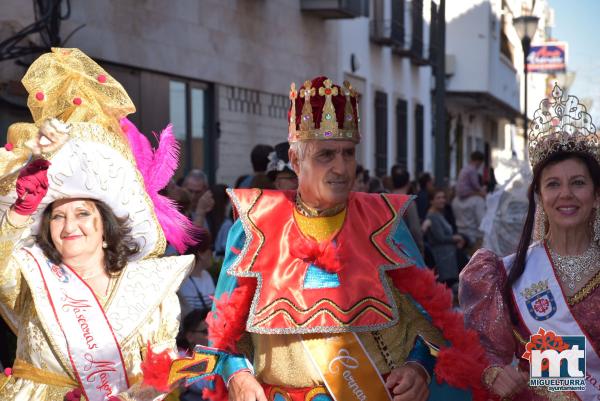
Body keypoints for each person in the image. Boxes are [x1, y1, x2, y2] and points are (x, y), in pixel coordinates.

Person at [149, 77, 490, 401]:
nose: (341, 167)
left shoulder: (384, 224)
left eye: (348, 153)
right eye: (325, 155)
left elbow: (429, 318)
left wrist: (418, 367)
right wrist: (238, 373)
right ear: (296, 160)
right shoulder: (255, 226)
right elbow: (223, 332)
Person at [0, 48, 195, 401]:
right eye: (57, 215)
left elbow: (162, 375)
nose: (69, 225)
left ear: (106, 226)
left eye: (83, 214)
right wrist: (19, 212)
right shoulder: (31, 276)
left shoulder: (150, 291)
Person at [459, 85, 600, 400]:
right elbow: (484, 354)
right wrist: (494, 372)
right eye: (553, 184)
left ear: (595, 196)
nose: (566, 194)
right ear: (539, 196)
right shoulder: (506, 275)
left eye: (578, 183)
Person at [425, 189, 465, 292]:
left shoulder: (438, 214)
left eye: (443, 197)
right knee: (448, 288)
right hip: (443, 258)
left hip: (448, 257)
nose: (442, 200)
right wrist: (456, 238)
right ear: (431, 201)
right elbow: (440, 237)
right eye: (438, 198)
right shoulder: (432, 216)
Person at [452, 151, 487, 252]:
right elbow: (482, 223)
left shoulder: (455, 201)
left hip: (460, 233)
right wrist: (481, 192)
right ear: (479, 161)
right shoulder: (477, 201)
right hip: (473, 236)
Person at [178, 229, 216, 318]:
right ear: (201, 254)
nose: (212, 253)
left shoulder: (206, 275)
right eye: (210, 248)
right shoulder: (181, 280)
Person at [390, 166, 424, 254]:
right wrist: (420, 249)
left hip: (389, 250)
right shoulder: (408, 202)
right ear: (408, 183)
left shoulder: (385, 199)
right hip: (406, 250)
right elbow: (415, 230)